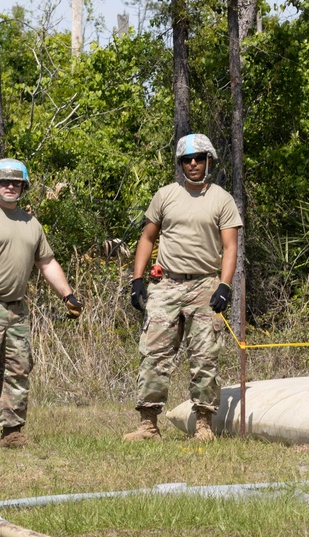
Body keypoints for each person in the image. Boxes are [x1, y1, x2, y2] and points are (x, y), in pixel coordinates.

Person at [0, 158, 83, 455]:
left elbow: (46, 262)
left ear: (24, 186)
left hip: (16, 309)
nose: (10, 186)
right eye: (5, 181)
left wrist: (67, 295)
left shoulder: (31, 223)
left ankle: (12, 432)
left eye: (16, 182)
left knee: (17, 369)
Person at [124, 134, 242, 442]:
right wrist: (137, 280)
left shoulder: (221, 199)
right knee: (153, 353)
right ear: (180, 164)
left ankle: (204, 425)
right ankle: (148, 425)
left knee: (205, 356)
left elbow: (230, 247)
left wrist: (225, 286)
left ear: (209, 161)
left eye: (199, 158)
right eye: (187, 160)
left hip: (205, 283)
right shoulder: (165, 195)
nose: (193, 164)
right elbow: (147, 238)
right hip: (166, 284)